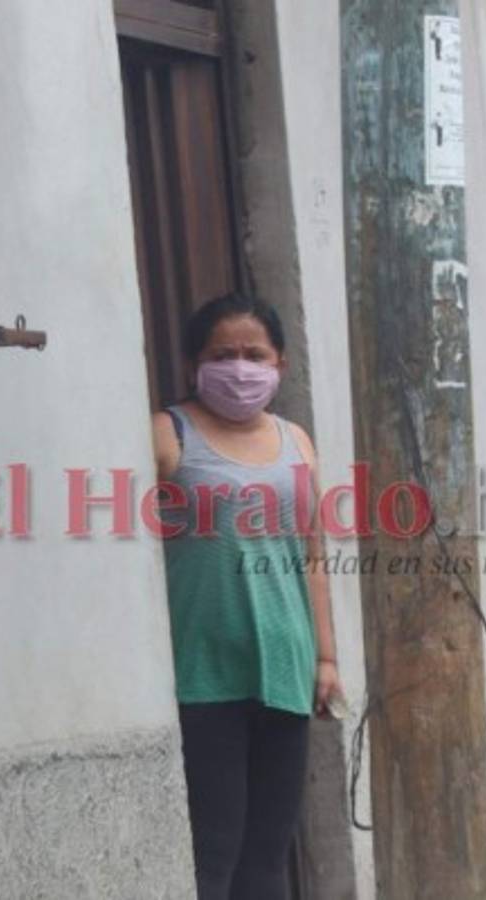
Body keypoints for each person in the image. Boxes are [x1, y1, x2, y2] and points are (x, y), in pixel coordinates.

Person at [150, 292, 345, 900]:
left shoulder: (297, 443)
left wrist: (327, 660)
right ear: (194, 365)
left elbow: (313, 557)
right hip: (205, 669)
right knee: (215, 849)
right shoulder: (167, 434)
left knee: (267, 853)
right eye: (222, 354)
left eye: (253, 354)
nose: (240, 368)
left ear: (279, 364)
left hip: (285, 668)